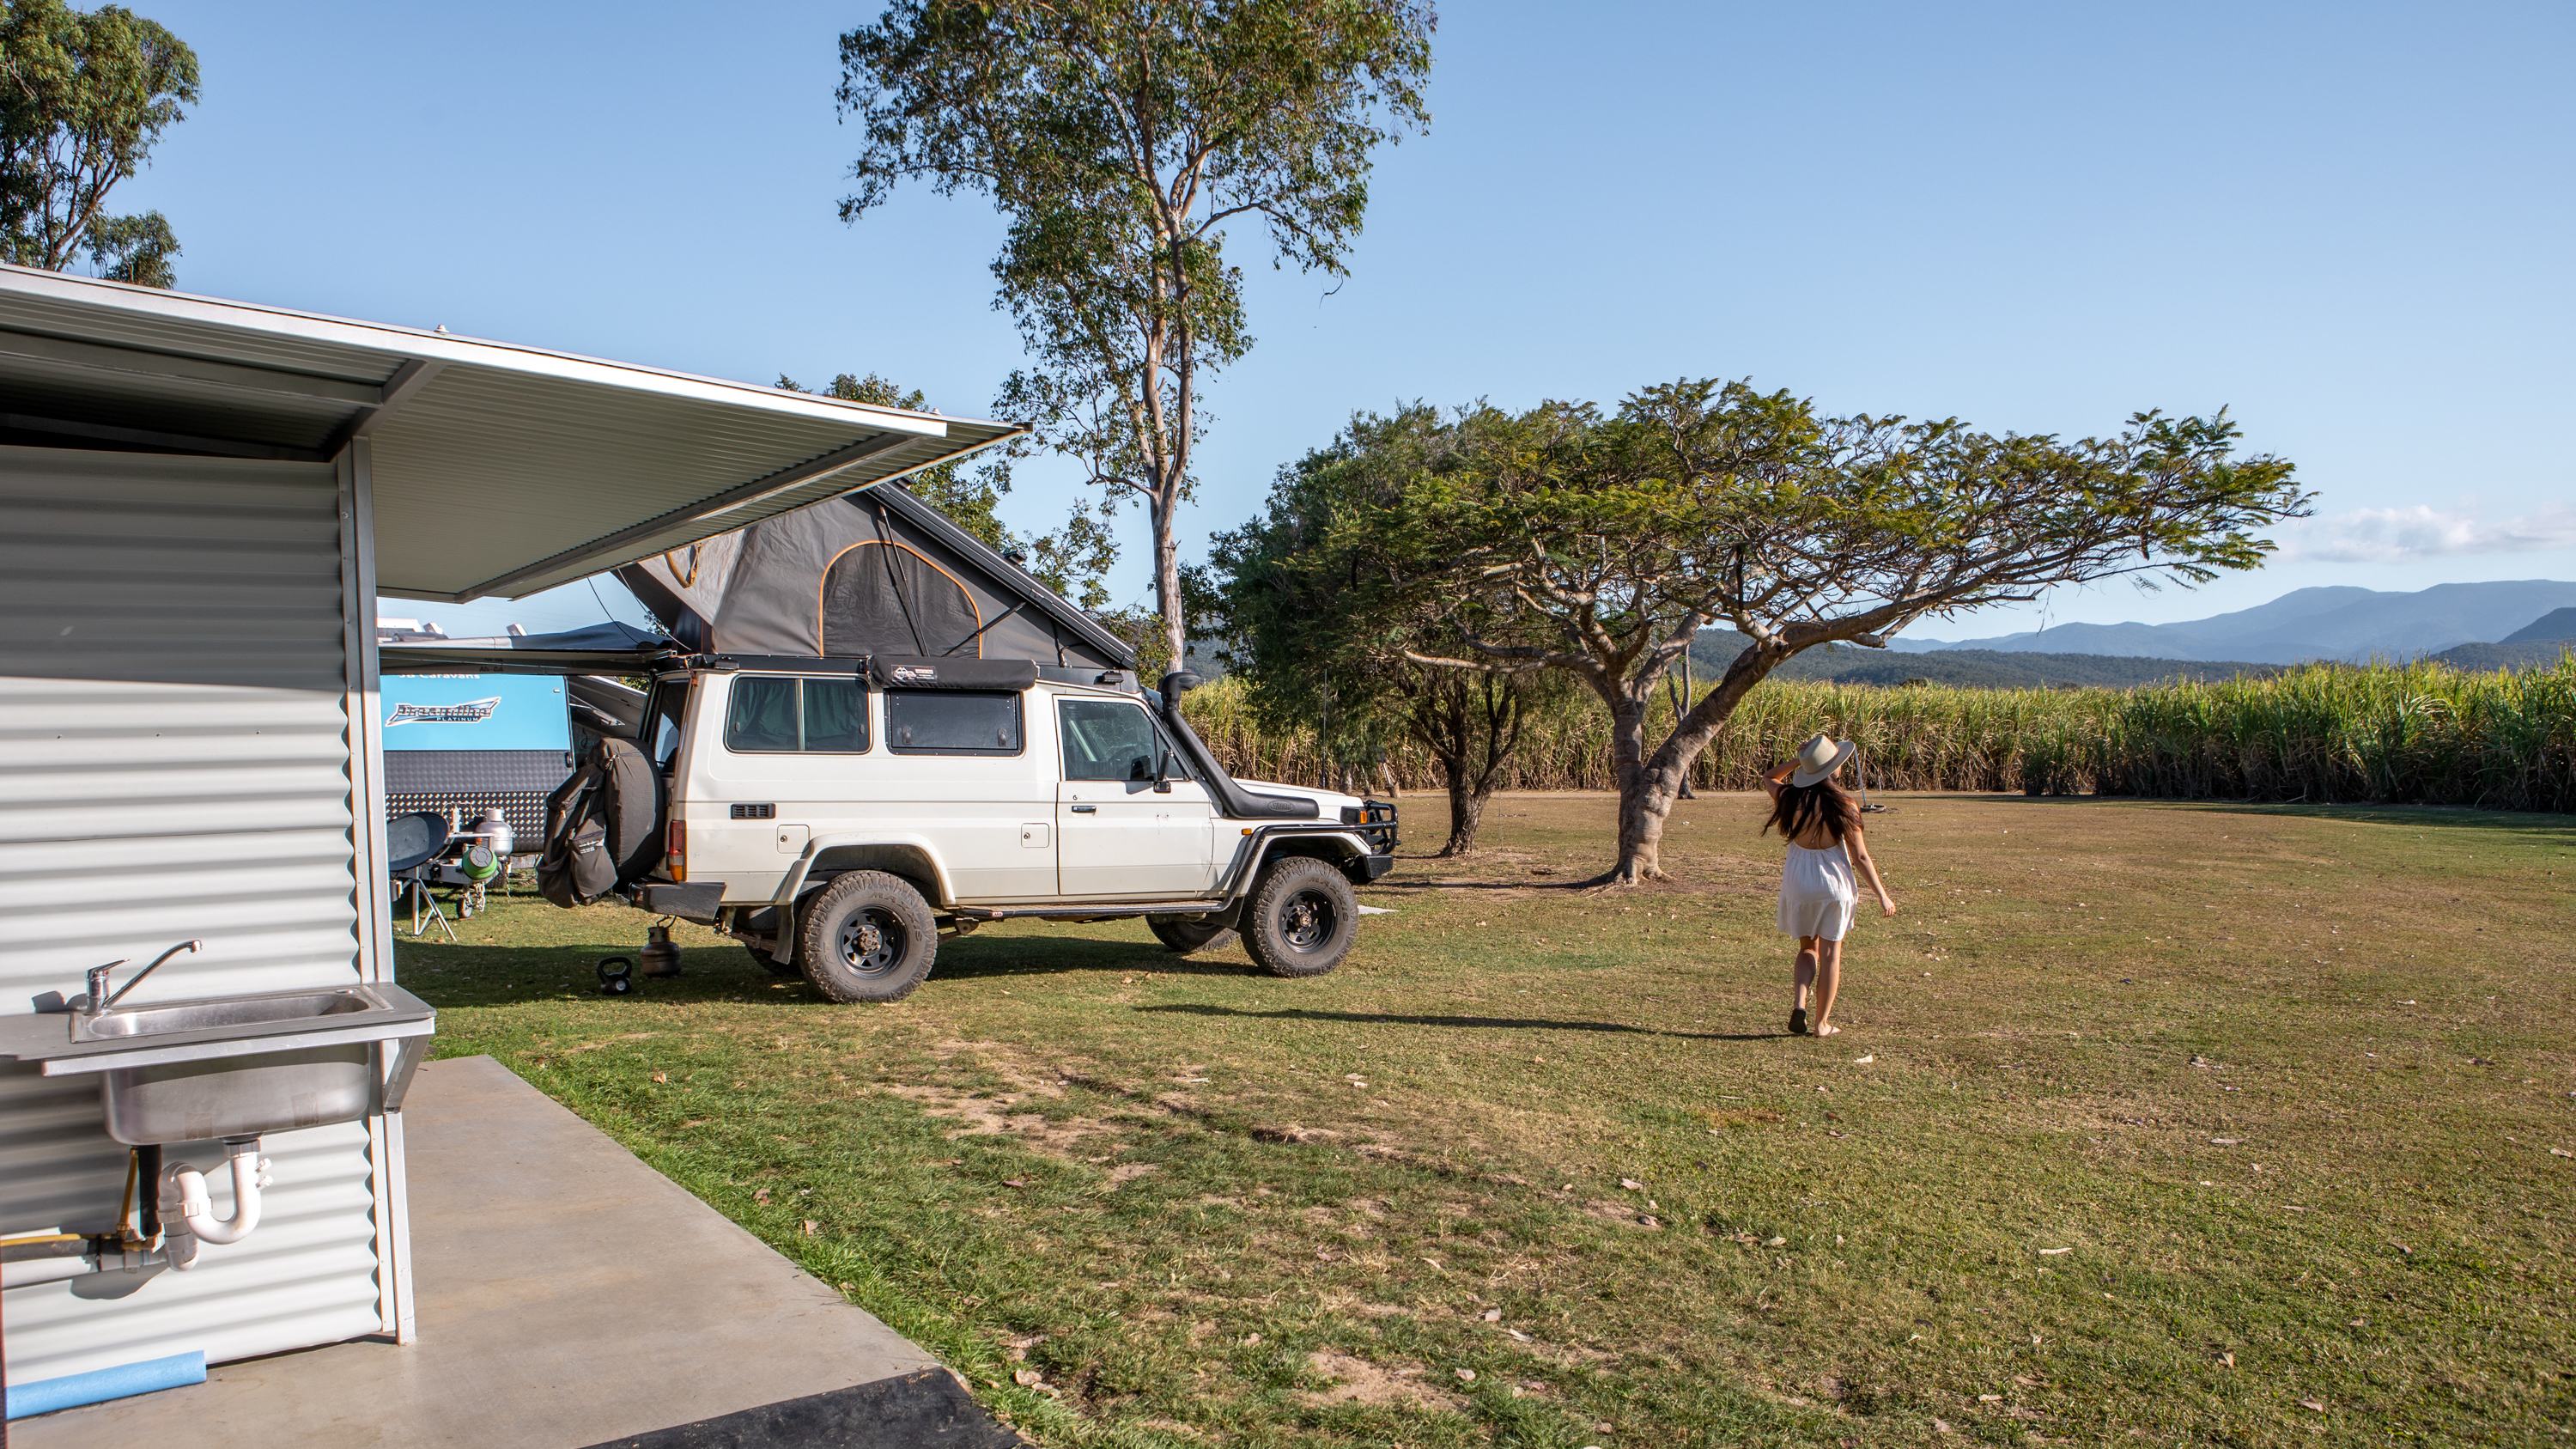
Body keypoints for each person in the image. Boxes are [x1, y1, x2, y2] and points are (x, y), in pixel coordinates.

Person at [1763, 734, 1895, 1038]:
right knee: (1832, 953)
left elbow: (1769, 777)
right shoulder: (1844, 804)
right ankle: (1822, 1024)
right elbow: (1860, 856)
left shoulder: (1790, 798)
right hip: (1834, 882)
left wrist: (1801, 761)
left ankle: (1800, 1004)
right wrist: (1882, 895)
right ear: (1833, 769)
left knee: (1807, 948)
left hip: (1799, 881)